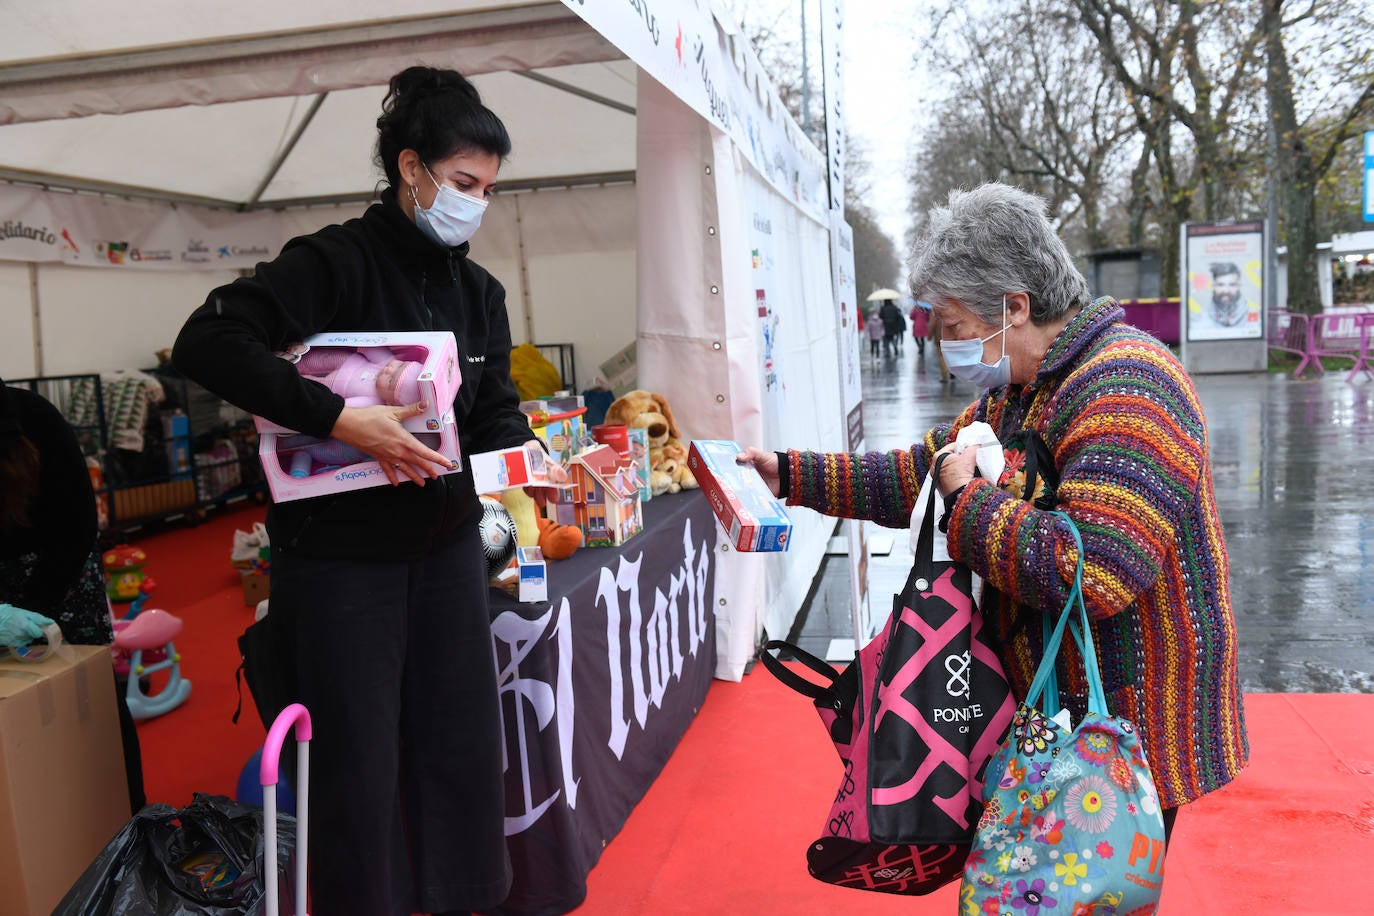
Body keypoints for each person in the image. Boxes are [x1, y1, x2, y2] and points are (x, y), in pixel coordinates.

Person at [739, 183, 1248, 871]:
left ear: (1015, 306)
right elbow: (916, 472)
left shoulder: (1129, 384)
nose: (943, 345)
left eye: (951, 326)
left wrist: (967, 497)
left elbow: (1092, 573)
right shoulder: (1021, 389)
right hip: (1052, 714)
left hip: (1124, 724)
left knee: (1084, 894)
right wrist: (790, 475)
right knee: (1038, 890)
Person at [173, 66, 562, 916]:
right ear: (410, 168)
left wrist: (539, 461)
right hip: (343, 561)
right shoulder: (332, 262)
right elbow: (207, 341)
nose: (475, 204)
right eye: (463, 183)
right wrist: (340, 418)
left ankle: (465, 895)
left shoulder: (477, 289)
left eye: (489, 190)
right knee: (356, 757)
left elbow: (492, 408)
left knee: (460, 742)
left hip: (450, 548)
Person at [0, 377, 146, 815]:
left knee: (91, 701)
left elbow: (77, 525)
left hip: (58, 575)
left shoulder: (36, 419)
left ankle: (127, 817)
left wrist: (34, 607)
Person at [1208, 261, 1246, 327]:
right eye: (1220, 285)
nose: (1226, 290)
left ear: (1239, 286)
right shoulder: (1196, 321)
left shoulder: (1259, 319)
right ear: (1213, 286)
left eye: (1232, 285)